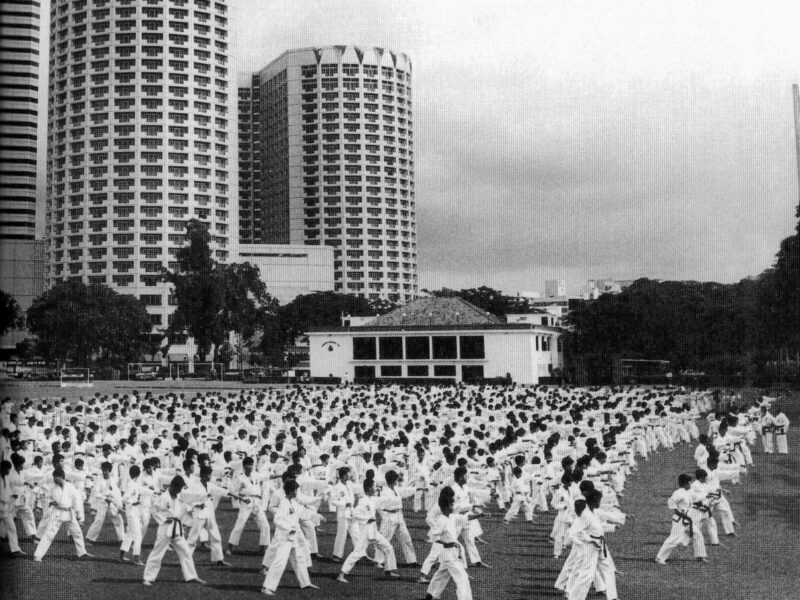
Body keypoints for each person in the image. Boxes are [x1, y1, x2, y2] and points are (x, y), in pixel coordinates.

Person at [421, 486, 485, 600]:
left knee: (442, 574)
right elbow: (433, 536)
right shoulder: (441, 520)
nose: (453, 507)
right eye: (451, 505)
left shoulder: (452, 516)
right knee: (462, 578)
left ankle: (430, 594)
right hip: (448, 552)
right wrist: (446, 543)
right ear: (445, 507)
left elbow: (465, 518)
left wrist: (479, 515)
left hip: (453, 551)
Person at [142, 475, 206, 586]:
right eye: (179, 488)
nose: (180, 491)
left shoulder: (179, 497)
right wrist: (163, 520)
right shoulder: (163, 497)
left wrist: (196, 506)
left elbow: (187, 506)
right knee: (157, 553)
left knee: (186, 551)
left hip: (177, 529)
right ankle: (147, 578)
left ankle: (191, 576)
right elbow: (154, 510)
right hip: (165, 529)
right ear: (173, 486)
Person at [260, 479, 320, 596]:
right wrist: (289, 528)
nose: (297, 492)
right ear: (291, 491)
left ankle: (305, 583)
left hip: (292, 536)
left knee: (299, 559)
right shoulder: (283, 503)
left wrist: (316, 515)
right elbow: (277, 520)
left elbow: (302, 511)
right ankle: (267, 587)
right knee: (280, 562)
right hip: (285, 537)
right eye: (296, 490)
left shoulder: (292, 502)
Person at [336, 477, 401, 583]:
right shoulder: (363, 501)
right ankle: (341, 575)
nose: (376, 488)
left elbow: (384, 501)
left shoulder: (373, 499)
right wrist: (366, 519)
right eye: (374, 487)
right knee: (357, 553)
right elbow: (355, 514)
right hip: (366, 531)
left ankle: (388, 571)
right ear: (369, 488)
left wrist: (397, 498)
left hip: (374, 530)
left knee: (388, 547)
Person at [32, 468, 93, 561]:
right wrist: (51, 502)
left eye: (55, 478)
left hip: (69, 513)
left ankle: (82, 553)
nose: (54, 480)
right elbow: (45, 497)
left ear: (61, 477)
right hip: (57, 513)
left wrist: (78, 513)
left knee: (77, 533)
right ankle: (37, 555)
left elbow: (76, 500)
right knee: (49, 534)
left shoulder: (70, 486)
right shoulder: (53, 488)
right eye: (53, 478)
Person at [655, 473, 708, 564]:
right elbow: (671, 501)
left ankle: (700, 556)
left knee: (698, 535)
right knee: (673, 539)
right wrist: (676, 510)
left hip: (687, 520)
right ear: (685, 484)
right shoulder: (678, 493)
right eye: (689, 483)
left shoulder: (688, 492)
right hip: (680, 520)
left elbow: (697, 497)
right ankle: (659, 558)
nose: (690, 485)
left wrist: (707, 495)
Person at [227, 456, 271, 554]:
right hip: (246, 500)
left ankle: (263, 547)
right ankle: (229, 547)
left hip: (256, 502)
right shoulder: (240, 477)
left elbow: (268, 476)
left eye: (252, 464)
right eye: (248, 465)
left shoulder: (256, 475)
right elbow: (233, 491)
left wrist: (282, 475)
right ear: (244, 466)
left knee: (265, 525)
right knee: (240, 524)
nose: (251, 466)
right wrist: (242, 499)